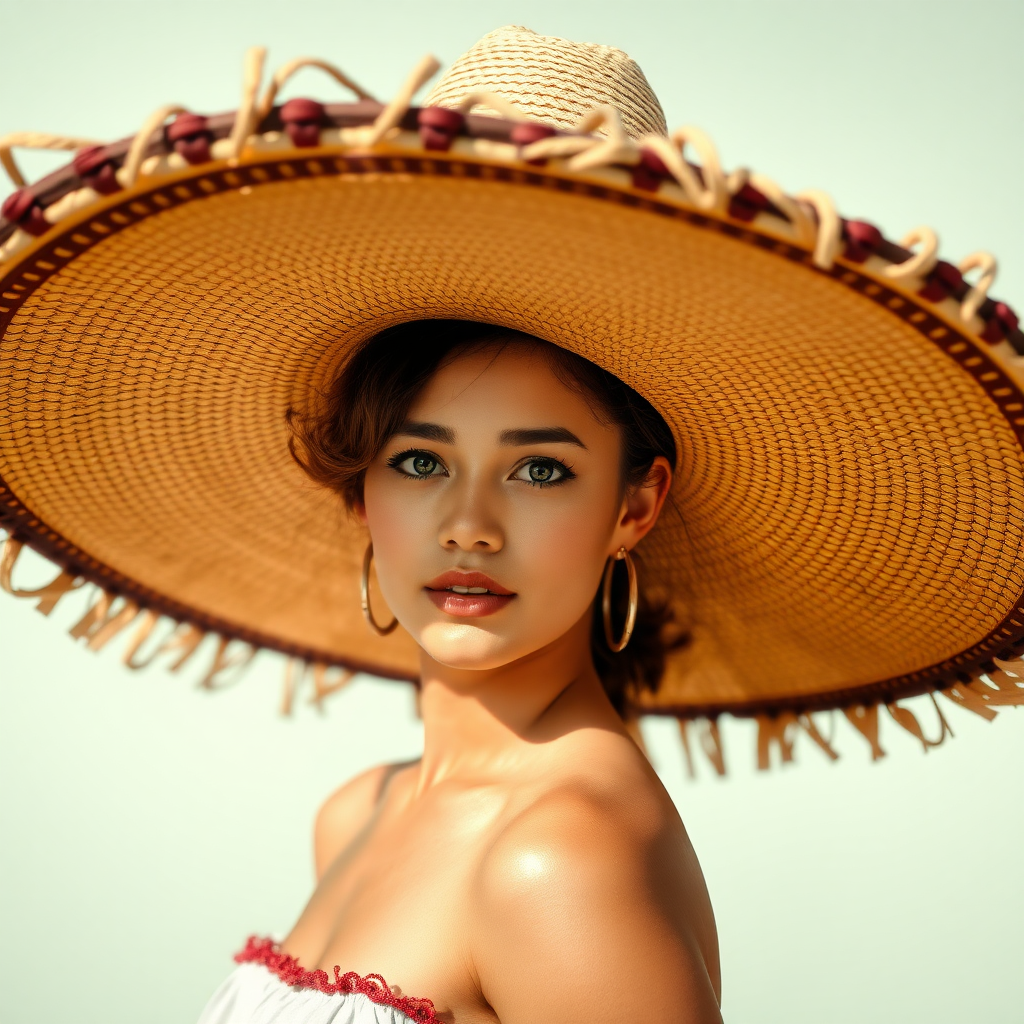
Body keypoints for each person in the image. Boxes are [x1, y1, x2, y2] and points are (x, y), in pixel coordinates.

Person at [2, 21, 1023, 1024]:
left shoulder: (563, 852)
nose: (470, 526)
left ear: (634, 503)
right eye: (418, 461)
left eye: (538, 467)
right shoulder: (355, 813)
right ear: (360, 493)